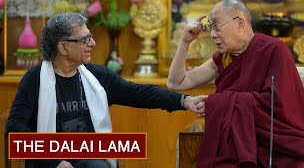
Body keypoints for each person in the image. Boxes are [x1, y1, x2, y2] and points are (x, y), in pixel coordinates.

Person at [5, 12, 207, 168]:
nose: (92, 44)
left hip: (89, 158)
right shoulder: (35, 80)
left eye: (90, 37)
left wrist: (184, 101)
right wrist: (52, 161)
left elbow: (139, 93)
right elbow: (15, 128)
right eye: (84, 39)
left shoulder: (96, 76)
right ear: (63, 48)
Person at [167, 0, 304, 167]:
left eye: (216, 26)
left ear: (240, 23)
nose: (212, 35)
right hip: (236, 146)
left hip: (279, 147)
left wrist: (217, 103)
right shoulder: (224, 59)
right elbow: (177, 83)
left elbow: (277, 105)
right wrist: (185, 42)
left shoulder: (274, 49)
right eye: (211, 27)